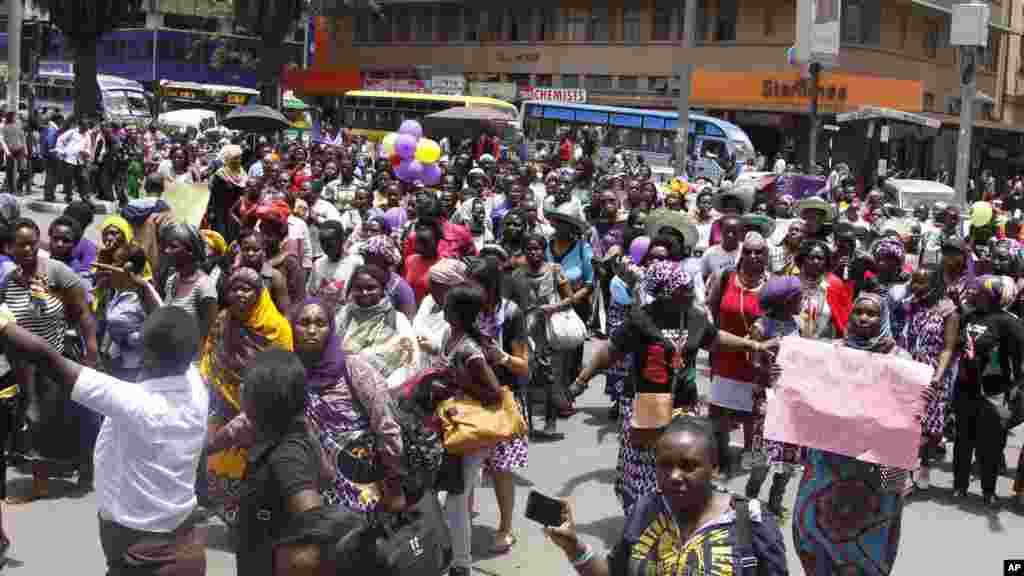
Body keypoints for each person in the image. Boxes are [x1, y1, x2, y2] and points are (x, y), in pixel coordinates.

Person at [0, 305, 208, 575]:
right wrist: (143, 287)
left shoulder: (136, 404)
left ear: (146, 354)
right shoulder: (196, 387)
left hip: (140, 554)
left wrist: (5, 324)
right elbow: (175, 330)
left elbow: (49, 360)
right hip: (183, 538)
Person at [572, 261, 771, 515]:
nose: (690, 291)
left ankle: (677, 517)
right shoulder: (640, 320)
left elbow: (715, 339)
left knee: (683, 463)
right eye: (683, 289)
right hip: (645, 404)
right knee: (645, 465)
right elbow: (609, 352)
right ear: (665, 294)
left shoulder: (695, 317)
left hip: (683, 404)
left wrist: (752, 346)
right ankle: (642, 520)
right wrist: (581, 381)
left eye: (689, 286)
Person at [544, 415, 789, 576]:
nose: (673, 475)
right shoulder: (646, 510)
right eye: (664, 464)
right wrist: (574, 547)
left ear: (714, 467)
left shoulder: (750, 522)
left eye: (688, 465)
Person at [793, 292, 920, 575]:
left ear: (884, 318)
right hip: (829, 463)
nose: (863, 318)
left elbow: (909, 419)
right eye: (858, 312)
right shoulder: (831, 352)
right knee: (814, 530)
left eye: (871, 314)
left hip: (878, 467)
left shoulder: (901, 360)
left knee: (873, 534)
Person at [3, 218, 98, 502]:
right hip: (23, 366)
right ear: (11, 249)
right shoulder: (9, 282)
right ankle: (40, 483)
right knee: (32, 422)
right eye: (22, 245)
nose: (29, 249)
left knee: (73, 419)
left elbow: (83, 313)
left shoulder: (57, 272)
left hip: (58, 361)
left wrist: (92, 352)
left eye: (33, 242)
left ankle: (86, 472)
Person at [201, 267, 294, 525]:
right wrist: (207, 381)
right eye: (234, 289)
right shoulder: (223, 319)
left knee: (256, 471)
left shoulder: (277, 327)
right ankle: (232, 519)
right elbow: (210, 353)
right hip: (223, 405)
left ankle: (255, 523)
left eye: (247, 289)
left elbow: (281, 370)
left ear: (260, 292)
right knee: (222, 466)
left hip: (260, 411)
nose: (240, 294)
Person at [229, 349, 330, 576]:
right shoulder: (293, 434)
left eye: (247, 384)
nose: (241, 389)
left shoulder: (286, 455)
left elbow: (316, 529)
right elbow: (327, 476)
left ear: (263, 398)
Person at [437, 282, 504, 576]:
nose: (442, 307)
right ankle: (451, 553)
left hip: (469, 431)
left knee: (456, 499)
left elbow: (495, 393)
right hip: (452, 425)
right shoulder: (450, 337)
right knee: (451, 497)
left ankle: (461, 564)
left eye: (447, 304)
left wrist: (460, 380)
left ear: (458, 312)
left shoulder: (469, 349)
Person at [955, 275, 1024, 507]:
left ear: (994, 297)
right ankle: (960, 486)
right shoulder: (970, 315)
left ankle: (988, 490)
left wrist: (1016, 387)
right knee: (963, 439)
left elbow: (1020, 358)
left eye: (981, 293)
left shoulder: (1008, 322)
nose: (975, 295)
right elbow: (957, 343)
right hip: (965, 387)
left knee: (990, 444)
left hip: (994, 391)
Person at [706, 232, 769, 477]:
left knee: (752, 414)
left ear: (765, 256)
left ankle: (749, 458)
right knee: (719, 412)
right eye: (749, 251)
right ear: (742, 254)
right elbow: (710, 308)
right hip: (725, 355)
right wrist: (712, 336)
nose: (753, 256)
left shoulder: (772, 284)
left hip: (756, 362)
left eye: (759, 252)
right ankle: (721, 460)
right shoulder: (725, 277)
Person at [902, 266, 960, 493]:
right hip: (909, 368)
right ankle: (901, 472)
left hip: (933, 372)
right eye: (914, 281)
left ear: (935, 283)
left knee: (929, 428)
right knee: (906, 424)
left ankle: (924, 465)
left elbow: (948, 348)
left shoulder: (949, 311)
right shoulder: (912, 305)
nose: (916, 286)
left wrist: (937, 377)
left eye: (921, 282)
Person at [336, 264, 418, 388]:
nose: (364, 293)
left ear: (382, 290)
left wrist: (384, 388)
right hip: (345, 389)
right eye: (358, 288)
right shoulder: (345, 316)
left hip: (387, 390)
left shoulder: (397, 320)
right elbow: (333, 349)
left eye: (371, 288)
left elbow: (410, 361)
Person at [161, 223, 218, 345]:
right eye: (167, 246)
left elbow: (209, 336)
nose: (166, 251)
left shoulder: (204, 288)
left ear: (191, 251)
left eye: (173, 247)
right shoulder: (171, 280)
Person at [210, 144, 247, 243]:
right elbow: (213, 195)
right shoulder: (220, 175)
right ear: (227, 159)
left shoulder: (242, 173)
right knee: (224, 238)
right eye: (235, 158)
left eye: (239, 158)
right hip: (223, 212)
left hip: (238, 212)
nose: (238, 161)